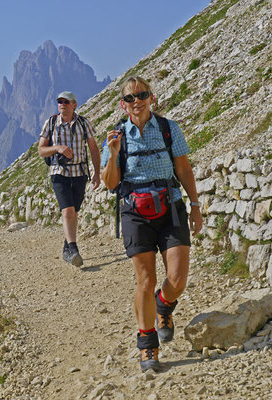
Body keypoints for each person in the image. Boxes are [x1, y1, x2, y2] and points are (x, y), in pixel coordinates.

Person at [101, 76, 203, 372]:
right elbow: (110, 184)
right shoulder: (116, 137)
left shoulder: (169, 129)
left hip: (171, 207)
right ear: (123, 104)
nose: (137, 101)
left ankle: (164, 306)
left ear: (152, 97)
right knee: (145, 280)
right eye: (130, 97)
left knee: (178, 279)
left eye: (142, 94)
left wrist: (195, 206)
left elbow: (183, 168)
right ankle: (148, 346)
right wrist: (114, 155)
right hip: (135, 213)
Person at [38, 91, 101, 267]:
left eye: (66, 102)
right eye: (59, 101)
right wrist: (57, 148)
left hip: (80, 173)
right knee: (67, 211)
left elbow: (94, 149)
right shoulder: (50, 123)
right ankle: (73, 250)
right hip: (59, 172)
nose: (62, 104)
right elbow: (41, 150)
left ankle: (67, 246)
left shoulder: (83, 123)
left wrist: (97, 172)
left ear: (74, 104)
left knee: (75, 211)